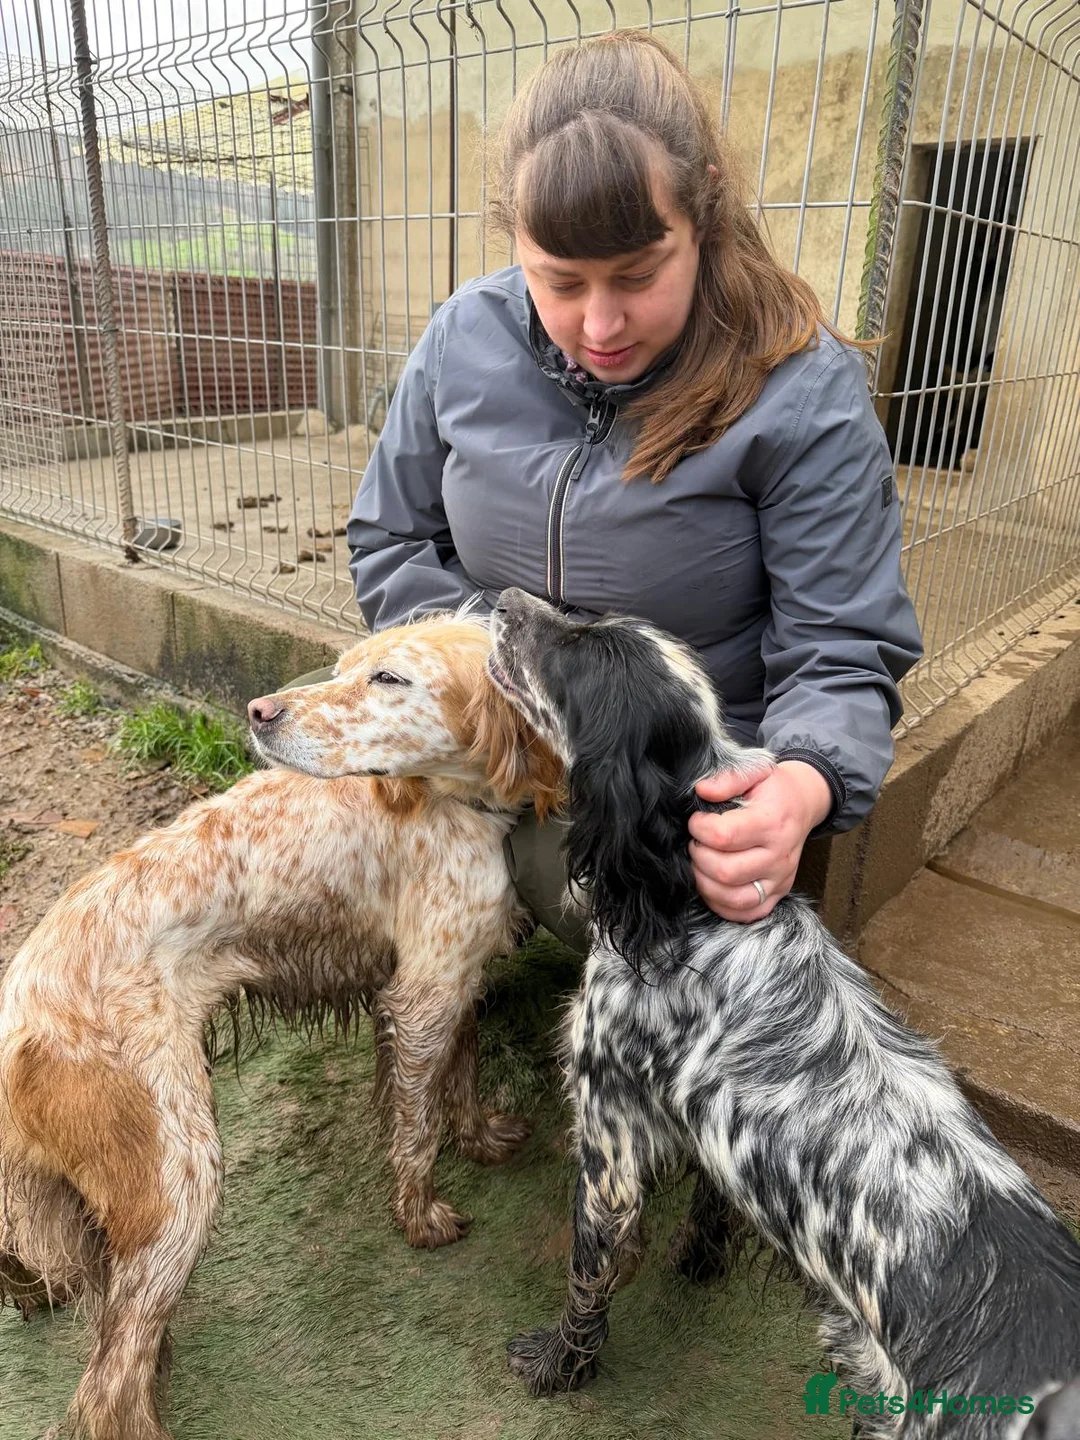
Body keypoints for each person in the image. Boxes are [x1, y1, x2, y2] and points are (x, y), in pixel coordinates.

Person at [341, 30, 923, 954]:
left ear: (705, 216)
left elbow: (841, 645)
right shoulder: (463, 337)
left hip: (655, 770)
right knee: (316, 795)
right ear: (515, 241)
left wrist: (800, 784)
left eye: (639, 275)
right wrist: (496, 675)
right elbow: (390, 538)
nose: (600, 324)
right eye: (559, 282)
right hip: (493, 719)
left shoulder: (800, 386)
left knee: (631, 912)